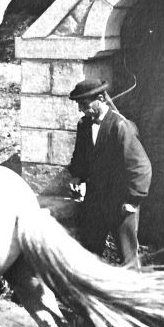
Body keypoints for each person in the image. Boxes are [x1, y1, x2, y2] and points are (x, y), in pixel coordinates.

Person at [67, 79, 152, 269]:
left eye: (84, 104)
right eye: (79, 105)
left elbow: (141, 167)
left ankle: (133, 297)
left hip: (121, 204)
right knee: (89, 253)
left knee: (127, 258)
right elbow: (81, 156)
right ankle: (92, 296)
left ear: (100, 99)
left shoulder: (121, 127)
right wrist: (77, 176)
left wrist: (133, 200)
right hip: (95, 202)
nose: (81, 109)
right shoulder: (84, 125)